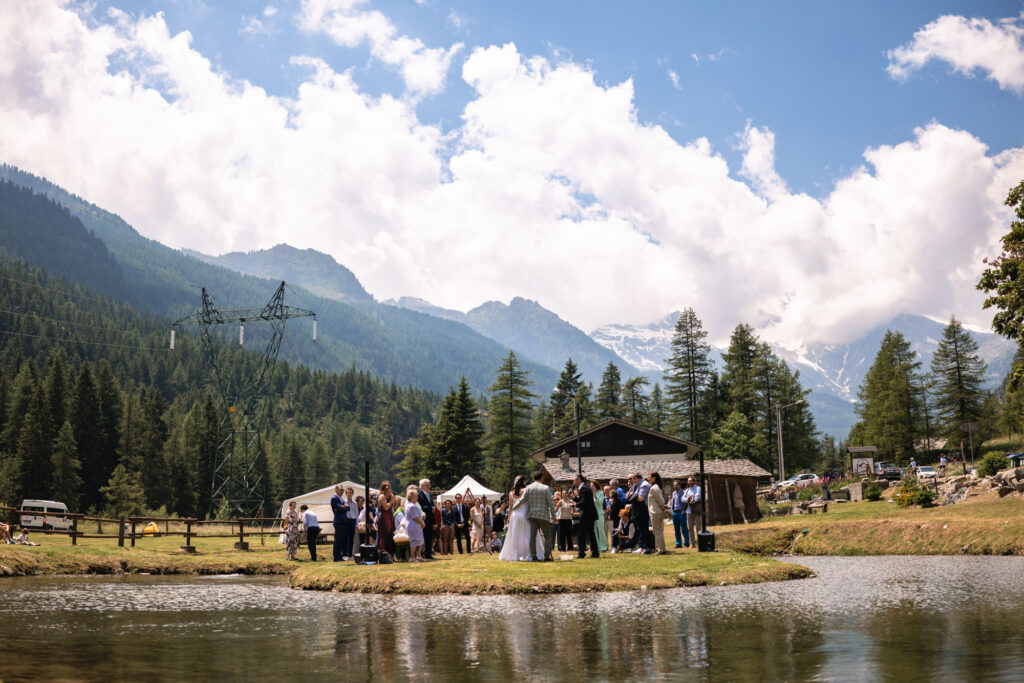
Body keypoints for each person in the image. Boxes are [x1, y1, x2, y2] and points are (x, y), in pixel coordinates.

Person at [500, 475, 545, 562]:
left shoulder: (511, 493)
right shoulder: (526, 490)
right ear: (523, 481)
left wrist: (508, 518)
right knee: (528, 535)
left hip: (515, 515)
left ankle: (515, 556)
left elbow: (510, 507)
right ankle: (530, 555)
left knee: (515, 536)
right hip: (524, 514)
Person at [516, 469, 556, 562]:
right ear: (542, 478)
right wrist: (554, 517)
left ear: (533, 478)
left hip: (532, 515)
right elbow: (551, 504)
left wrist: (514, 507)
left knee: (532, 537)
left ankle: (533, 556)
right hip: (543, 515)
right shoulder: (546, 488)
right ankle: (546, 556)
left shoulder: (529, 487)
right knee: (547, 536)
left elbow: (522, 500)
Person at [574, 473, 600, 559]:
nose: (573, 481)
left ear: (579, 480)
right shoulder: (585, 488)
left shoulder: (584, 488)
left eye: (574, 480)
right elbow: (583, 500)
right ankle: (595, 552)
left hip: (586, 514)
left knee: (582, 533)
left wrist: (574, 505)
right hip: (590, 514)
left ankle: (581, 553)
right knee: (591, 534)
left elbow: (584, 502)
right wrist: (574, 499)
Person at [404, 485, 426, 562]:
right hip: (413, 525)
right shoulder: (411, 506)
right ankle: (412, 557)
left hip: (416, 525)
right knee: (414, 541)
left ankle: (418, 556)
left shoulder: (412, 504)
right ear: (412, 497)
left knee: (419, 540)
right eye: (416, 496)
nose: (417, 498)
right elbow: (415, 517)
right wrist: (422, 523)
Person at [647, 472, 667, 555]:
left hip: (656, 512)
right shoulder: (655, 487)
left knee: (657, 531)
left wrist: (664, 510)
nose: (648, 479)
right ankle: (661, 548)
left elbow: (660, 501)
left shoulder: (654, 488)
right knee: (659, 531)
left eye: (649, 477)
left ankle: (660, 549)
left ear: (654, 478)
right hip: (657, 511)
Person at [377, 481, 396, 557]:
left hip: (389, 516)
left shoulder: (389, 496)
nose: (390, 489)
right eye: (389, 488)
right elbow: (386, 507)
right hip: (384, 518)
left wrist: (392, 499)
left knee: (390, 535)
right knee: (384, 535)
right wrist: (392, 500)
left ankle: (390, 554)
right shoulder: (381, 496)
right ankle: (383, 554)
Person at [417, 479, 435, 560]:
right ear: (421, 486)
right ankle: (421, 554)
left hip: (430, 519)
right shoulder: (418, 494)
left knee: (429, 537)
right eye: (427, 485)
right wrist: (430, 508)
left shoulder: (429, 494)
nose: (429, 486)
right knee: (422, 537)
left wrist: (433, 508)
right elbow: (419, 506)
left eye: (429, 485)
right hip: (422, 519)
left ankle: (428, 553)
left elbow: (432, 505)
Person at [331, 485, 349, 562]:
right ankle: (336, 557)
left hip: (343, 521)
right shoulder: (334, 498)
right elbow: (339, 508)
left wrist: (343, 507)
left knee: (342, 540)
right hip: (339, 521)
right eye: (341, 490)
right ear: (336, 490)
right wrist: (343, 507)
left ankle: (340, 556)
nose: (342, 491)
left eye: (343, 490)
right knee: (338, 540)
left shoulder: (341, 499)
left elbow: (348, 508)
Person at [670, 479, 689, 548]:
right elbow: (673, 502)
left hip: (681, 512)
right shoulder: (673, 493)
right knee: (676, 529)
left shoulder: (683, 492)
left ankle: (686, 543)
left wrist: (684, 510)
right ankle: (678, 543)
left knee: (684, 528)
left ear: (680, 485)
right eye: (674, 485)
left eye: (676, 485)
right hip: (675, 512)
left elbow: (686, 502)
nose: (675, 486)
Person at [684, 476, 702, 549]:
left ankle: (700, 543)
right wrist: (689, 499)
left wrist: (692, 499)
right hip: (688, 511)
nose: (689, 482)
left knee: (698, 527)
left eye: (691, 481)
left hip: (696, 510)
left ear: (694, 481)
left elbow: (697, 497)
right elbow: (683, 498)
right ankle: (692, 543)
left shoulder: (698, 488)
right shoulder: (687, 490)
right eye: (688, 481)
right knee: (690, 527)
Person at [593, 480, 608, 552]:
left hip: (599, 513)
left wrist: (595, 495)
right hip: (592, 514)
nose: (592, 487)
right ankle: (597, 547)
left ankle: (604, 547)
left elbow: (600, 503)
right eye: (591, 486)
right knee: (594, 531)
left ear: (596, 486)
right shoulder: (590, 493)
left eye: (593, 486)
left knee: (601, 530)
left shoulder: (601, 493)